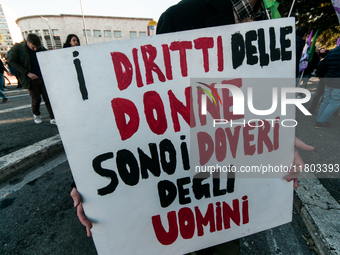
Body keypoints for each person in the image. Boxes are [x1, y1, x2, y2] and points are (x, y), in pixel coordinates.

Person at [70, 1, 314, 254]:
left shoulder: (272, 23)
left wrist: (281, 136)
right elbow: (141, 101)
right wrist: (88, 179)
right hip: (179, 177)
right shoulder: (182, 16)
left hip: (231, 184)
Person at [8, 33, 56, 125]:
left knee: (48, 99)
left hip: (43, 77)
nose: (35, 49)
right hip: (31, 79)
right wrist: (27, 73)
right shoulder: (18, 48)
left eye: (37, 47)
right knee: (36, 99)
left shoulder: (41, 48)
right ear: (27, 42)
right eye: (33, 47)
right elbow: (11, 61)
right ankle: (36, 114)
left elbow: (49, 56)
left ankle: (52, 117)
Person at [315, 45, 340, 129]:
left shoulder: (333, 51)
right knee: (335, 102)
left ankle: (320, 119)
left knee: (326, 100)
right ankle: (321, 121)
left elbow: (323, 63)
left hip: (329, 78)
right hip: (337, 81)